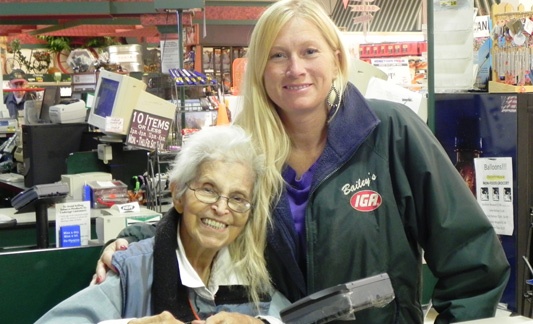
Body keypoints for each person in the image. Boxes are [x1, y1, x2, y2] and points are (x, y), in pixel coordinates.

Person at [95, 0, 510, 323]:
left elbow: (471, 258)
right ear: (260, 68)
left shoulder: (390, 131)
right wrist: (131, 241)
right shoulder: (244, 150)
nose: (296, 69)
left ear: (335, 58)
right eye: (277, 56)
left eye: (309, 51)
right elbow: (203, 209)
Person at [36, 125, 289, 323]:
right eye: (208, 190)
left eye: (237, 198)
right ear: (178, 195)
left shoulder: (252, 273)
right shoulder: (133, 272)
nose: (222, 209)